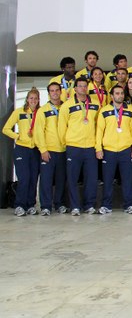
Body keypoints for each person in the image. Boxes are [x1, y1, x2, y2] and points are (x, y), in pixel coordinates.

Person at [58, 77, 100, 215]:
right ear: (75, 88)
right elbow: (61, 127)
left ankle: (89, 205)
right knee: (72, 178)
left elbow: (99, 125)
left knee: (91, 178)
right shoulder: (67, 105)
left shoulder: (95, 104)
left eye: (85, 86)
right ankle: (75, 206)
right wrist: (66, 143)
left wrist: (97, 144)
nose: (83, 88)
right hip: (73, 146)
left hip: (90, 147)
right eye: (80, 86)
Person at [95, 85, 132, 214]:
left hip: (126, 150)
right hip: (109, 150)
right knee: (107, 180)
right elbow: (99, 131)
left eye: (121, 93)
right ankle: (106, 205)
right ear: (112, 96)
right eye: (117, 93)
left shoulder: (130, 110)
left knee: (127, 180)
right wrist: (98, 148)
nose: (120, 95)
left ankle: (129, 205)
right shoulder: (104, 111)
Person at [2, 88, 41, 216]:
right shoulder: (19, 112)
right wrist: (18, 136)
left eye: (35, 98)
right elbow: (6, 129)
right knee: (24, 178)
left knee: (33, 178)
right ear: (27, 99)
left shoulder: (40, 113)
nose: (33, 101)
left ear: (38, 100)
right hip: (22, 149)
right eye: (31, 98)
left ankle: (30, 205)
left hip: (35, 149)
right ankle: (19, 205)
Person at [34, 83, 67, 215]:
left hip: (64, 150)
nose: (55, 93)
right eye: (52, 91)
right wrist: (43, 150)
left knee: (61, 180)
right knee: (46, 180)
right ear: (49, 94)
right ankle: (46, 206)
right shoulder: (43, 110)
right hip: (49, 150)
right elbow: (38, 132)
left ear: (60, 92)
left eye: (57, 90)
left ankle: (59, 204)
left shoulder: (66, 107)